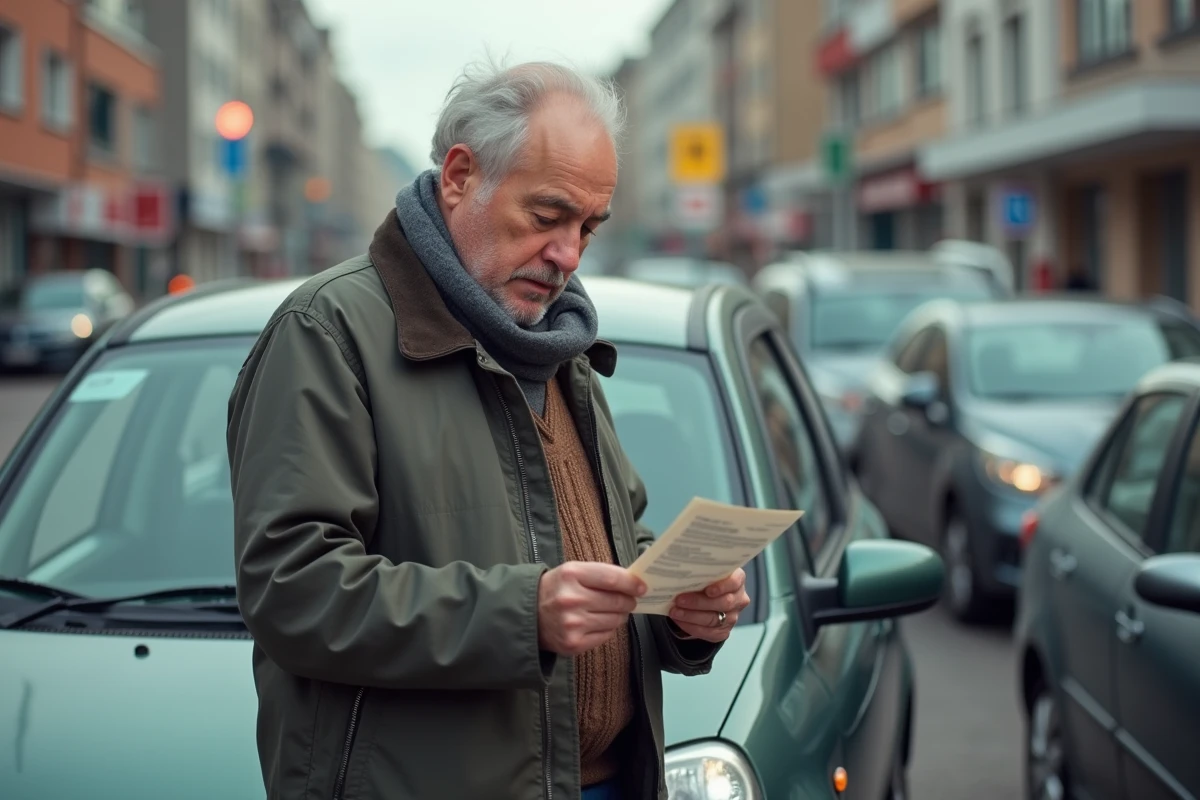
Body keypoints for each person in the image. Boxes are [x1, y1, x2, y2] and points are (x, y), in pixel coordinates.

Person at [226, 59, 750, 800]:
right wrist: (521, 613)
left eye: (588, 228)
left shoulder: (552, 344)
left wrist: (683, 616)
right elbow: (293, 589)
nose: (568, 255)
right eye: (547, 216)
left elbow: (610, 552)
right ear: (460, 176)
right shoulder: (329, 331)